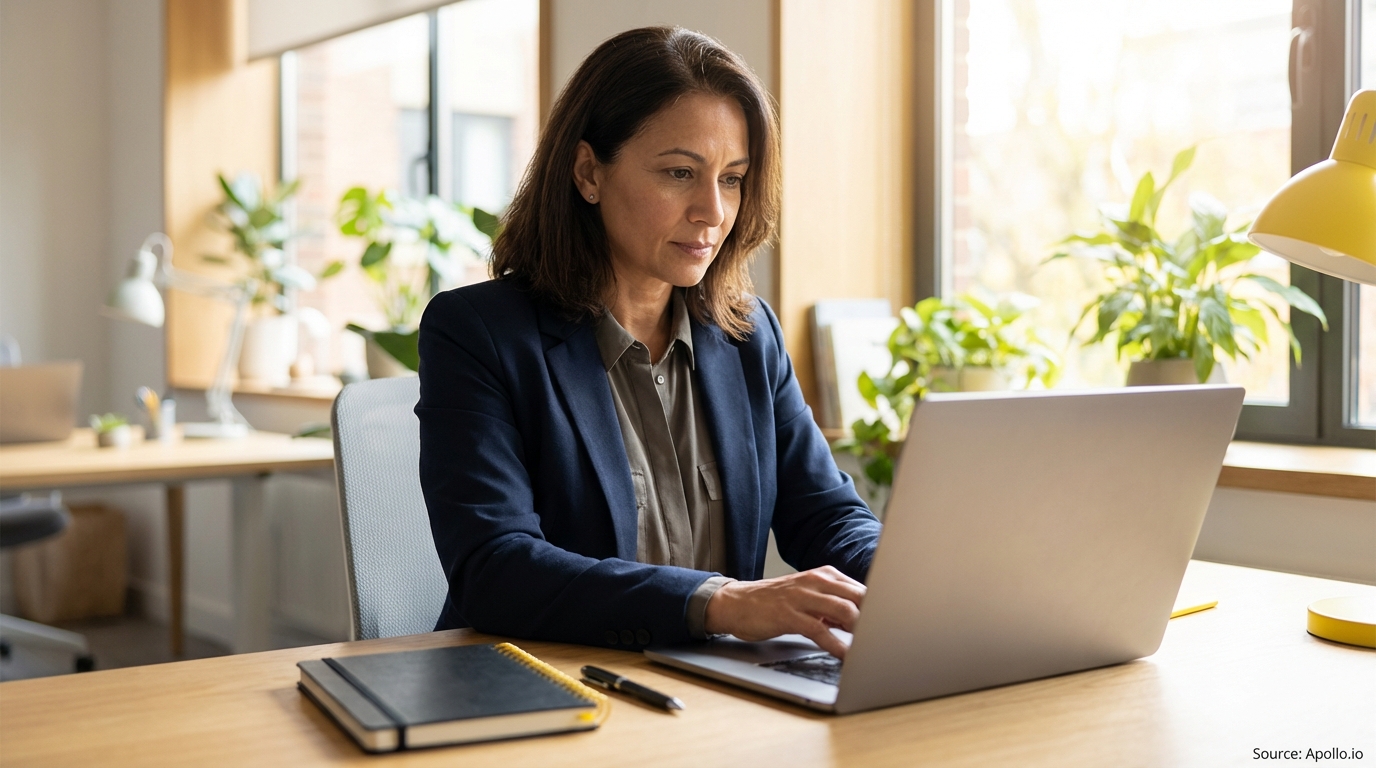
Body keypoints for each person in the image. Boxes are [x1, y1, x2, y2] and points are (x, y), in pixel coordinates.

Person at [417, 26, 881, 659]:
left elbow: (826, 517)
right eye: (680, 173)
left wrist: (905, 580)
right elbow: (496, 568)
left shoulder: (749, 335)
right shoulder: (478, 333)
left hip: (713, 695)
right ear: (588, 173)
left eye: (733, 179)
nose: (713, 212)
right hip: (544, 688)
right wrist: (721, 602)